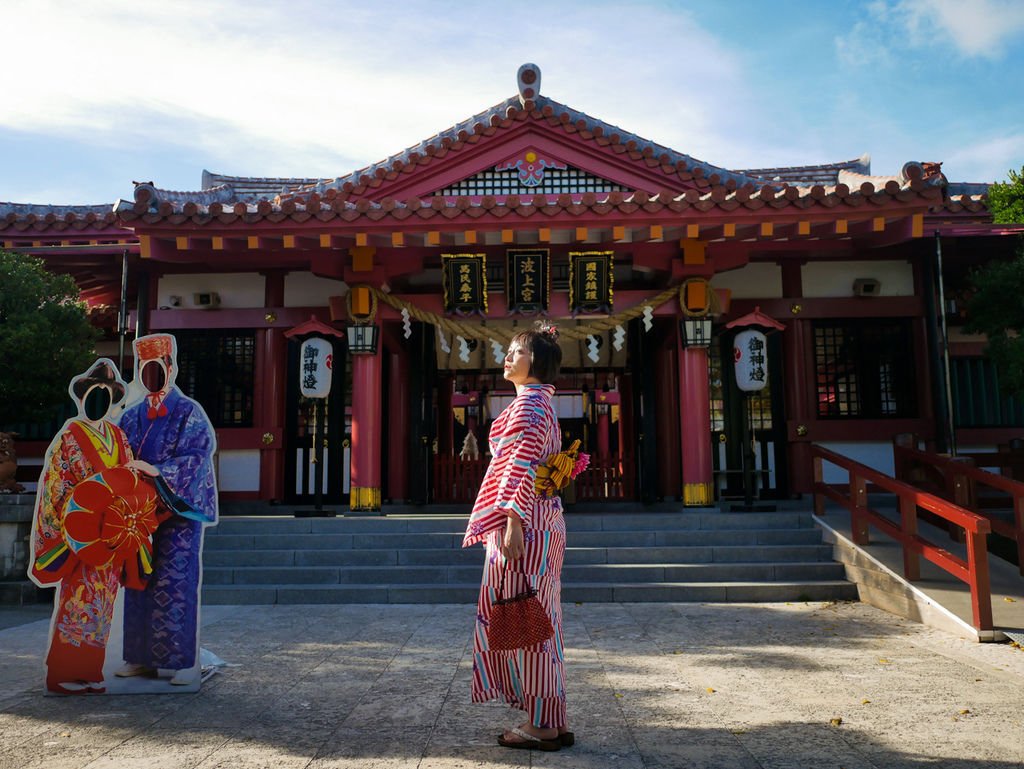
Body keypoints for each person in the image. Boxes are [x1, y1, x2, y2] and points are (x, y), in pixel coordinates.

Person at [462, 323, 573, 751]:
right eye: (508, 351)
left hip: (525, 525)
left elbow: (521, 469)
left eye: (518, 352)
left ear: (538, 363)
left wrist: (512, 522)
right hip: (544, 521)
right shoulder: (542, 406)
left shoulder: (529, 407)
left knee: (525, 623)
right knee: (542, 621)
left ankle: (542, 726)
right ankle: (553, 717)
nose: (508, 357)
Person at [115, 333, 218, 686]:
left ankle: (178, 660)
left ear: (171, 368)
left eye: (158, 368)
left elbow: (198, 455)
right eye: (146, 369)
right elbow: (118, 456)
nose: (152, 376)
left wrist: (159, 471)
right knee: (138, 581)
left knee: (174, 585)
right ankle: (138, 657)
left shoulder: (189, 412)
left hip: (176, 512)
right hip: (137, 514)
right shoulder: (130, 417)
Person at [29, 360, 134, 694]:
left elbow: (129, 476)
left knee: (102, 605)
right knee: (78, 601)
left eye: (105, 394)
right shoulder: (69, 436)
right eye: (94, 393)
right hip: (82, 532)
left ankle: (89, 671)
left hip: (111, 532)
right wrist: (76, 516)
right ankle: (63, 672)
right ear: (83, 397)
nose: (99, 400)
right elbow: (55, 484)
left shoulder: (118, 435)